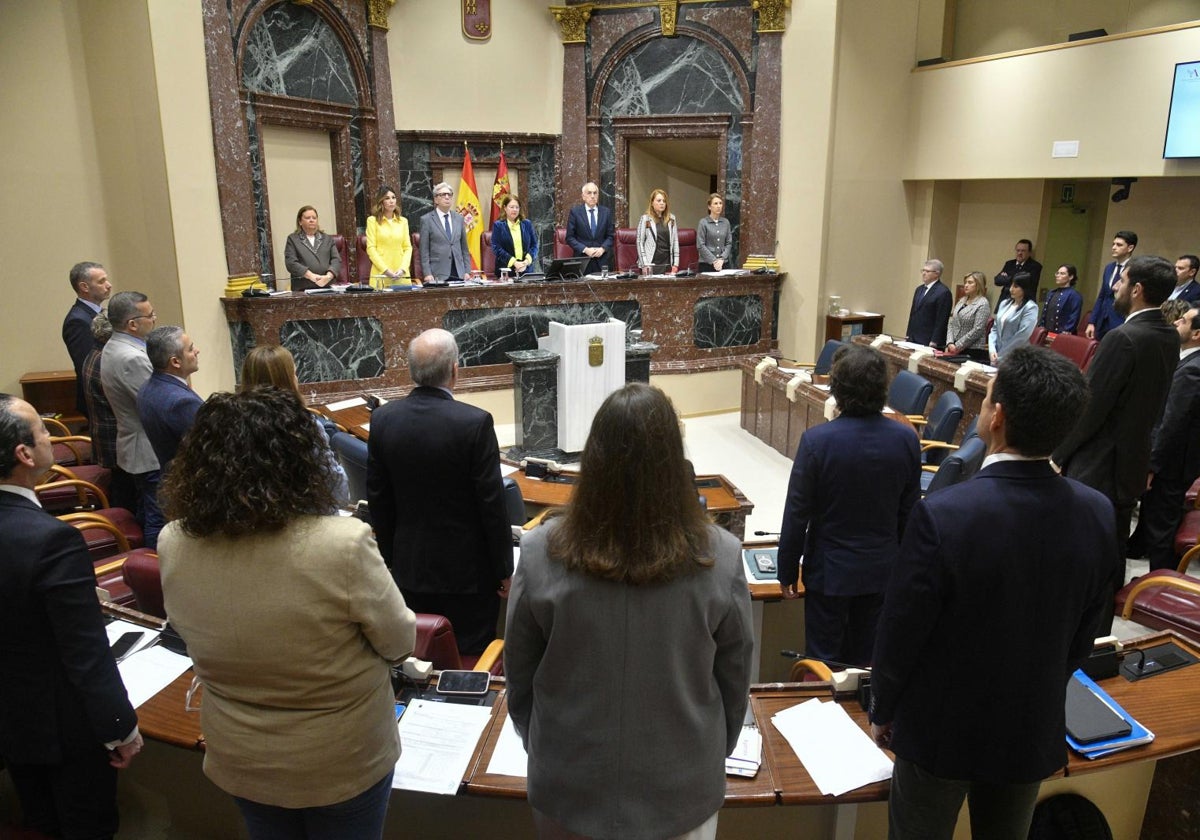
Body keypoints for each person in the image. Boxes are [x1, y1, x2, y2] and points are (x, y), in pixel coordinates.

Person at [870, 346, 1115, 840]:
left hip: (939, 734)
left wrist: (883, 708)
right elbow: (1088, 631)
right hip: (1028, 728)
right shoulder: (1098, 512)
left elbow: (902, 631)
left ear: (996, 416)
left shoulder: (943, 513)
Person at [158, 388, 415, 840]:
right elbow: (399, 643)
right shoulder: (343, 543)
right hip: (340, 760)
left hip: (240, 756)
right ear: (300, 459)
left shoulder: (173, 540)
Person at [505, 383, 753, 840]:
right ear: (673, 462)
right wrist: (708, 753)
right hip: (681, 793)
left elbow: (519, 681)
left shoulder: (540, 552)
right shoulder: (721, 556)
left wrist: (545, 747)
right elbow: (735, 686)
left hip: (568, 787)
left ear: (592, 460)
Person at [0, 393, 143, 839]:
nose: (49, 434)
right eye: (42, 430)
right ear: (24, 454)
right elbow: (84, 653)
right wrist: (120, 727)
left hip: (12, 724)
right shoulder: (52, 540)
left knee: (42, 822)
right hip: (64, 730)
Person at [366, 328, 512, 655]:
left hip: (409, 571)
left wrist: (392, 560)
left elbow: (379, 500)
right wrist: (504, 570)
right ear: (455, 371)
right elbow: (492, 504)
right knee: (471, 661)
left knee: (418, 658)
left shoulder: (384, 420)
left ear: (412, 372)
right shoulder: (474, 423)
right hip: (468, 580)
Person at [1053, 255, 1179, 625]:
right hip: (1132, 462)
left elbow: (1090, 407)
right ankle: (1100, 638)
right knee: (1113, 554)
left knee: (1081, 557)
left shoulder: (1123, 338)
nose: (1115, 288)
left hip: (1098, 465)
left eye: (1121, 282)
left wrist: (1058, 455)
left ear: (1137, 290)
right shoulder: (1168, 335)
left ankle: (1076, 635)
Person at [777, 344, 921, 666]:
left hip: (830, 575)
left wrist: (786, 568)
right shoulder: (906, 439)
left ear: (836, 390)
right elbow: (909, 514)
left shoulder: (817, 442)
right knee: (866, 665)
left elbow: (797, 514)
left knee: (823, 664)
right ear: (883, 389)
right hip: (882, 573)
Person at [238, 344, 349, 506]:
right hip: (302, 519)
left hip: (249, 518)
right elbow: (338, 492)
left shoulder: (231, 423)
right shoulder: (305, 425)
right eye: (294, 373)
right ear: (287, 381)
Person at [1138, 306, 1200, 571]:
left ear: (1196, 333)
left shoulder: (1192, 370)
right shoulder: (1187, 360)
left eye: (1184, 321)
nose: (1176, 322)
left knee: (1161, 522)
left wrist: (1151, 465)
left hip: (1173, 462)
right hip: (1178, 458)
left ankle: (1161, 580)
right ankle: (1145, 555)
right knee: (1156, 515)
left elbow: (1171, 423)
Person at [100, 291, 163, 548]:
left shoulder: (115, 345)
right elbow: (156, 403)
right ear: (132, 324)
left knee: (148, 510)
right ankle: (153, 572)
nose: (155, 319)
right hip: (147, 449)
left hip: (137, 444)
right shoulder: (132, 358)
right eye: (150, 315)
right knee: (158, 518)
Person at [83, 314, 137, 511]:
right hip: (115, 440)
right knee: (128, 498)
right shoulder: (106, 360)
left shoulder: (94, 354)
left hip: (106, 436)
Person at [136, 325, 202, 475]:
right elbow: (208, 447)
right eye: (191, 349)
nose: (197, 351)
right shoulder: (182, 402)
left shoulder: (146, 388)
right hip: (191, 484)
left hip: (169, 479)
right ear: (175, 362)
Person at [62, 260, 112, 419]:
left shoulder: (95, 314)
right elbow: (89, 365)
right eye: (102, 281)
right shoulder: (78, 321)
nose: (109, 285)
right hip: (99, 400)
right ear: (84, 287)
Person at [1086, 230, 1137, 340]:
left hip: (1121, 320)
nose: (1114, 247)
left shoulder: (1135, 268)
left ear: (1130, 248)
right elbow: (1101, 296)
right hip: (1102, 321)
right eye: (1113, 244)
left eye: (1119, 245)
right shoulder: (1109, 267)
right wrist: (1092, 322)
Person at [419, 181, 471, 283]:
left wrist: (467, 271)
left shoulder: (459, 218)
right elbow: (424, 251)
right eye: (443, 195)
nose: (447, 197)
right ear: (436, 199)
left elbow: (464, 248)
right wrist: (427, 273)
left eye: (449, 195)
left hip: (459, 272)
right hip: (437, 273)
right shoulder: (427, 220)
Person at [284, 205, 342, 291]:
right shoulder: (293, 239)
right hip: (302, 288)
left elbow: (336, 260)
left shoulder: (327, 239)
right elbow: (291, 263)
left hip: (326, 287)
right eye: (307, 218)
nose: (311, 220)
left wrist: (328, 276)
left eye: (314, 218)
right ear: (300, 221)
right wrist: (311, 276)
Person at [365, 186, 413, 288]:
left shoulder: (403, 221)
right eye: (387, 198)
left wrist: (403, 269)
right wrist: (386, 270)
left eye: (393, 197)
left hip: (401, 274)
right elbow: (371, 249)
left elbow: (407, 248)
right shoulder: (372, 221)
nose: (391, 201)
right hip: (381, 274)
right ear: (381, 201)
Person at [565, 181, 614, 275]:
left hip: (602, 261)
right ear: (583, 196)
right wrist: (585, 249)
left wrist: (602, 249)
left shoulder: (606, 212)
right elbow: (570, 238)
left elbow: (611, 236)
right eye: (589, 193)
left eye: (595, 193)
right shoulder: (575, 212)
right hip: (582, 260)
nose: (592, 196)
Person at [988, 271, 1038, 362]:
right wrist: (992, 350)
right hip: (996, 355)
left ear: (1025, 288)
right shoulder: (1004, 303)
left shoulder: (1030, 307)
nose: (1011, 289)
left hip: (1017, 356)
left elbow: (1022, 336)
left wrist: (1001, 355)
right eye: (1011, 285)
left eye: (1015, 286)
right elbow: (994, 329)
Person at [905, 259, 952, 348]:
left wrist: (935, 340)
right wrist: (908, 334)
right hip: (913, 337)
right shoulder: (919, 289)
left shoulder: (943, 292)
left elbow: (942, 320)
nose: (923, 273)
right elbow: (913, 314)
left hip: (928, 340)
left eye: (927, 271)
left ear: (937, 274)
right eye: (923, 270)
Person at [945, 271, 991, 361]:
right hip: (953, 346)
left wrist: (958, 346)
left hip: (972, 350)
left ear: (978, 285)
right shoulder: (962, 300)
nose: (966, 285)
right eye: (965, 282)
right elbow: (951, 322)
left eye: (970, 283)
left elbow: (978, 329)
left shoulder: (982, 303)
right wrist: (950, 342)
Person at [490, 194, 538, 276]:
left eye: (517, 207)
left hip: (526, 270)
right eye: (511, 207)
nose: (514, 210)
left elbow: (534, 245)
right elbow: (496, 248)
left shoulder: (527, 224)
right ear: (505, 208)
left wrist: (525, 262)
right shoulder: (498, 225)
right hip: (506, 271)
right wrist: (514, 262)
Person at [636, 188, 679, 274]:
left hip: (667, 262)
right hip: (650, 263)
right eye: (659, 200)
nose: (662, 203)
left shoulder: (672, 219)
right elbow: (639, 242)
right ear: (652, 203)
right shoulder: (645, 219)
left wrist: (675, 264)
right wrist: (644, 264)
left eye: (664, 201)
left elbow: (675, 241)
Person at [992, 238, 1042, 311]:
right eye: (1018, 250)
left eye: (1023, 251)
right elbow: (997, 281)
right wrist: (1015, 278)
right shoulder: (1009, 264)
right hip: (1005, 301)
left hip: (1022, 304)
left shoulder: (1035, 266)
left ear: (1029, 252)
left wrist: (1007, 278)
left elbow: (1028, 284)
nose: (1019, 253)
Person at [1040, 264, 1084, 334]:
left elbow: (1074, 317)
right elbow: (1044, 314)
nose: (1058, 276)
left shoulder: (1075, 295)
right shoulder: (1051, 293)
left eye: (1062, 274)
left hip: (1063, 335)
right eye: (1057, 273)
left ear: (1071, 277)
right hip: (1047, 333)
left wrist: (1066, 331)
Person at [696, 192, 732, 273]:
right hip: (706, 264)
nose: (718, 206)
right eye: (715, 203)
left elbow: (729, 243)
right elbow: (700, 245)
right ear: (709, 206)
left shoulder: (726, 222)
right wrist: (714, 261)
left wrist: (722, 258)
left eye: (720, 203)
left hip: (723, 263)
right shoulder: (703, 222)